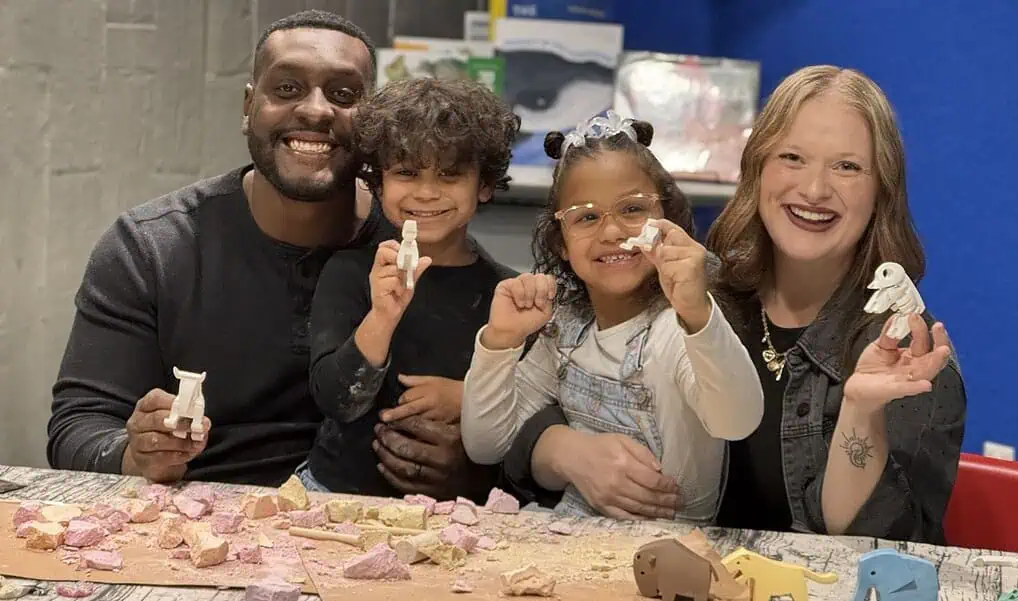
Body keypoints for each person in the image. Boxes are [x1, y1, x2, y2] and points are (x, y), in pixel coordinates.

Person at [501, 66, 966, 544]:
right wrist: (561, 450)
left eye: (847, 166)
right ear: (757, 168)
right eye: (792, 157)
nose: (813, 190)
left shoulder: (906, 355)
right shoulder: (699, 290)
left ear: (881, 189)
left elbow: (894, 553)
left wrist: (861, 413)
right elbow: (537, 409)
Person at [46, 10, 470, 491]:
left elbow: (513, 422)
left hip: (374, 535)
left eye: (344, 95)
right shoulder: (150, 248)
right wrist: (134, 452)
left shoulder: (425, 253)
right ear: (249, 105)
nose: (315, 111)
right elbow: (77, 429)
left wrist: (474, 460)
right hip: (192, 528)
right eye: (287, 89)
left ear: (377, 122)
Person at [459, 111, 765, 522]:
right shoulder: (564, 328)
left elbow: (737, 420)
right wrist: (500, 341)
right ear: (561, 242)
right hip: (570, 541)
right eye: (586, 216)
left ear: (667, 220)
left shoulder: (675, 331)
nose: (611, 232)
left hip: (670, 554)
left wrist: (697, 313)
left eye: (633, 209)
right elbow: (486, 445)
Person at [298, 77, 522, 502]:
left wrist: (468, 398)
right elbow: (336, 399)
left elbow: (526, 414)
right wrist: (382, 316)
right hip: (333, 495)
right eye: (406, 172)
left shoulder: (506, 294)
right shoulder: (349, 272)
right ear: (378, 184)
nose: (427, 192)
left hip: (459, 511)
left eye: (450, 174)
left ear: (485, 185)